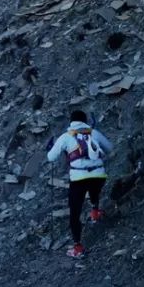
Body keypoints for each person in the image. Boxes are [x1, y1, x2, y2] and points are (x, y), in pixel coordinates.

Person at [46, 109, 114, 258]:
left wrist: (51, 148)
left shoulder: (66, 137)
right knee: (94, 189)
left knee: (75, 212)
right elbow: (110, 148)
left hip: (78, 178)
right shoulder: (94, 133)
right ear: (85, 121)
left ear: (71, 122)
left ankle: (78, 247)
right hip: (98, 174)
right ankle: (95, 212)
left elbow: (51, 157)